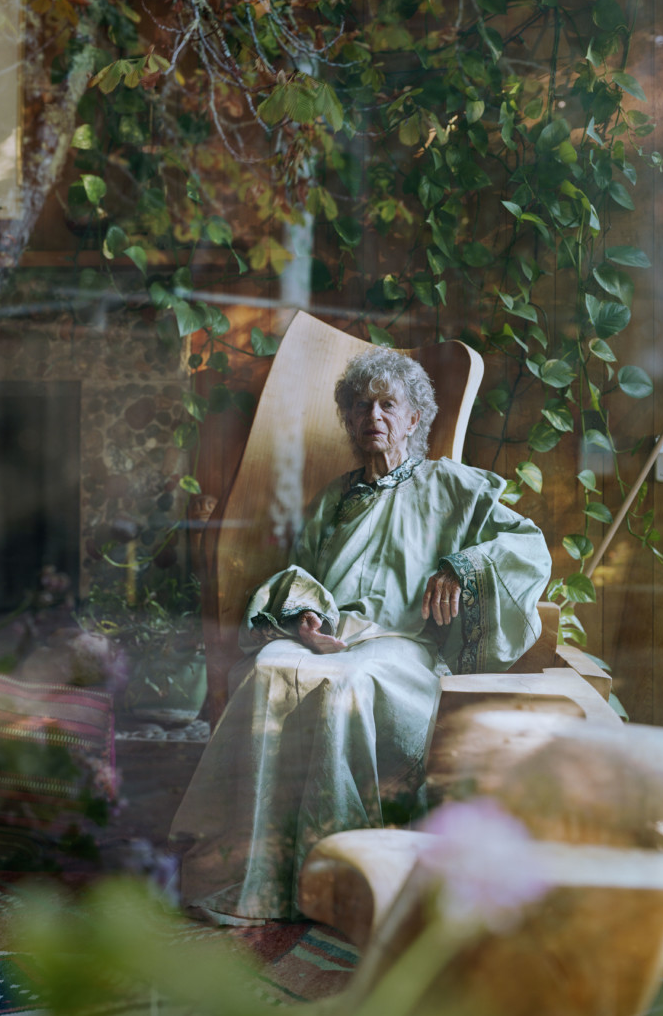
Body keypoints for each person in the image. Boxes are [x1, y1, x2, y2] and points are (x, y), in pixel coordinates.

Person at [169, 347, 552, 924]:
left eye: (387, 405)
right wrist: (306, 619)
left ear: (413, 418)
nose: (373, 415)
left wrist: (460, 568)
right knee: (270, 667)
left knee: (344, 684)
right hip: (330, 639)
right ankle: (255, 868)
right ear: (349, 420)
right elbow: (303, 576)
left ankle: (339, 873)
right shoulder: (333, 498)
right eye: (361, 406)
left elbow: (528, 546)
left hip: (402, 647)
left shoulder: (451, 484)